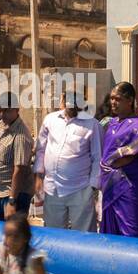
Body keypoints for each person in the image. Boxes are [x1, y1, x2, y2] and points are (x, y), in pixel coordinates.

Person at [34, 93, 103, 231]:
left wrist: (92, 187)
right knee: (53, 235)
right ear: (63, 100)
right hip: (52, 188)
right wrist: (38, 177)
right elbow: (41, 149)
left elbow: (98, 157)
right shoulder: (50, 120)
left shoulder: (92, 124)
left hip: (80, 189)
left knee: (83, 236)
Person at [100, 82, 138, 237]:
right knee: (110, 230)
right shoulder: (110, 123)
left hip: (129, 186)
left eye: (117, 99)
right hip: (109, 187)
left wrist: (133, 166)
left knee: (132, 228)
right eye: (112, 98)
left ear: (130, 100)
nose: (113, 102)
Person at [0, 93, 34, 221]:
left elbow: (19, 170)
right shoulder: (1, 125)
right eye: (0, 110)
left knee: (13, 234)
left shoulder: (21, 135)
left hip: (15, 194)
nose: (2, 114)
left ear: (16, 109)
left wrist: (12, 202)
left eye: (7, 110)